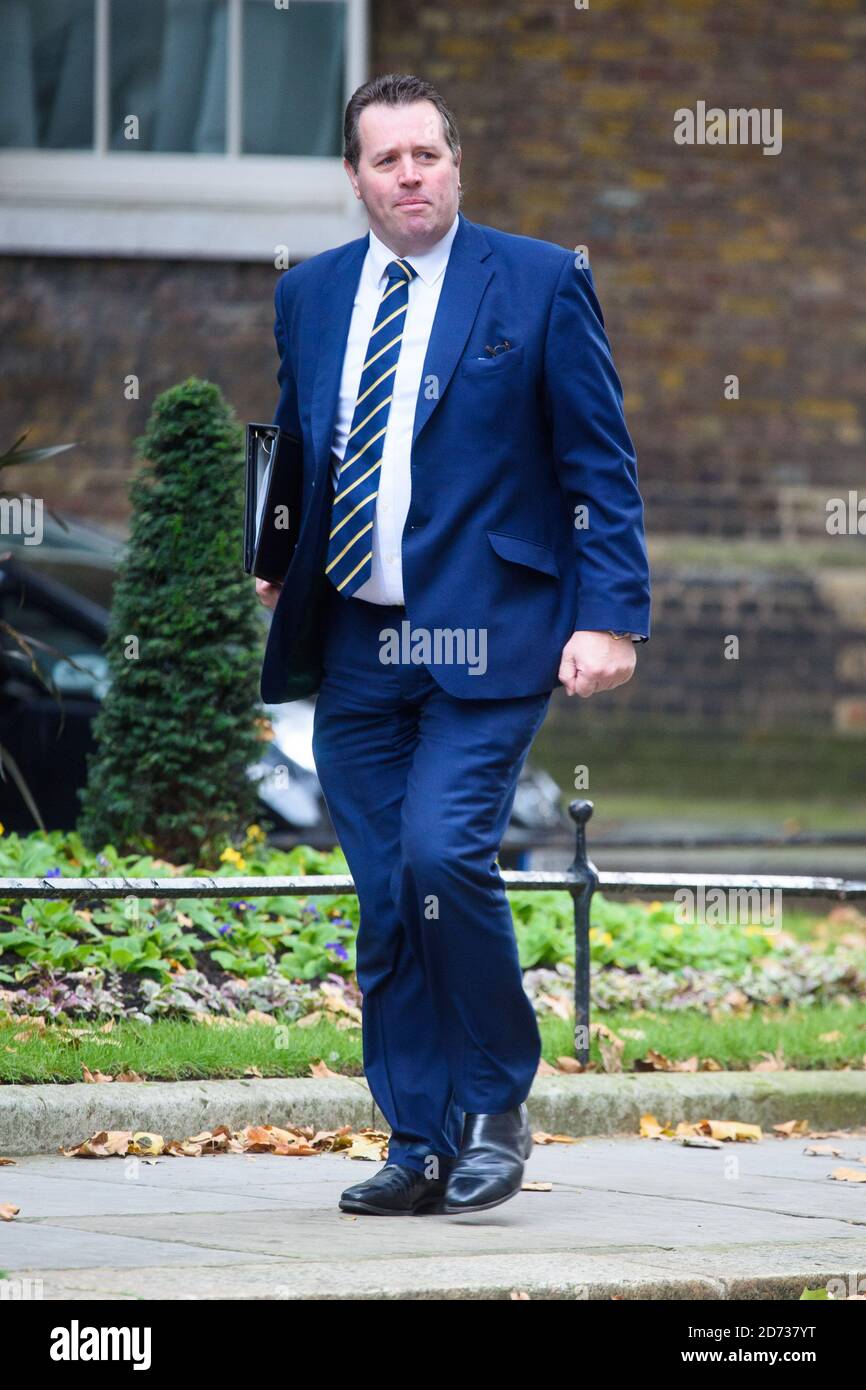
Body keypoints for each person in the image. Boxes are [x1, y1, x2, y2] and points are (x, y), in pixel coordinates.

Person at [256, 73, 650, 1217]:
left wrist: (608, 613)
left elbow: (597, 462)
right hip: (359, 643)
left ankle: (494, 1103)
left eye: (427, 154)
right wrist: (279, 546)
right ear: (355, 178)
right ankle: (417, 1140)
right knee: (386, 895)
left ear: (456, 162)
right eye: (387, 160)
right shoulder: (312, 294)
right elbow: (300, 437)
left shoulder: (535, 280)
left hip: (490, 635)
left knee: (440, 857)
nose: (410, 175)